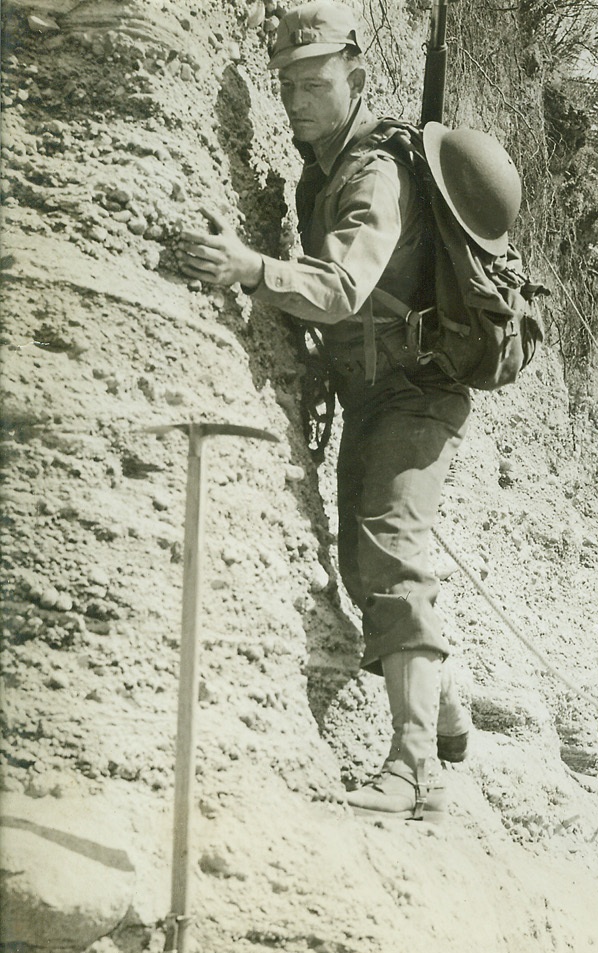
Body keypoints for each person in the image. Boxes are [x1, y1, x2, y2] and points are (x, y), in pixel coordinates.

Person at [177, 0, 522, 817]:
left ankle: (415, 770)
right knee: (367, 563)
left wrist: (251, 269)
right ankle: (444, 709)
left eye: (315, 83)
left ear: (357, 76)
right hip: (372, 392)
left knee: (391, 550)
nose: (296, 101)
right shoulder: (322, 167)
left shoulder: (370, 173)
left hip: (419, 391)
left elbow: (340, 288)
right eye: (286, 85)